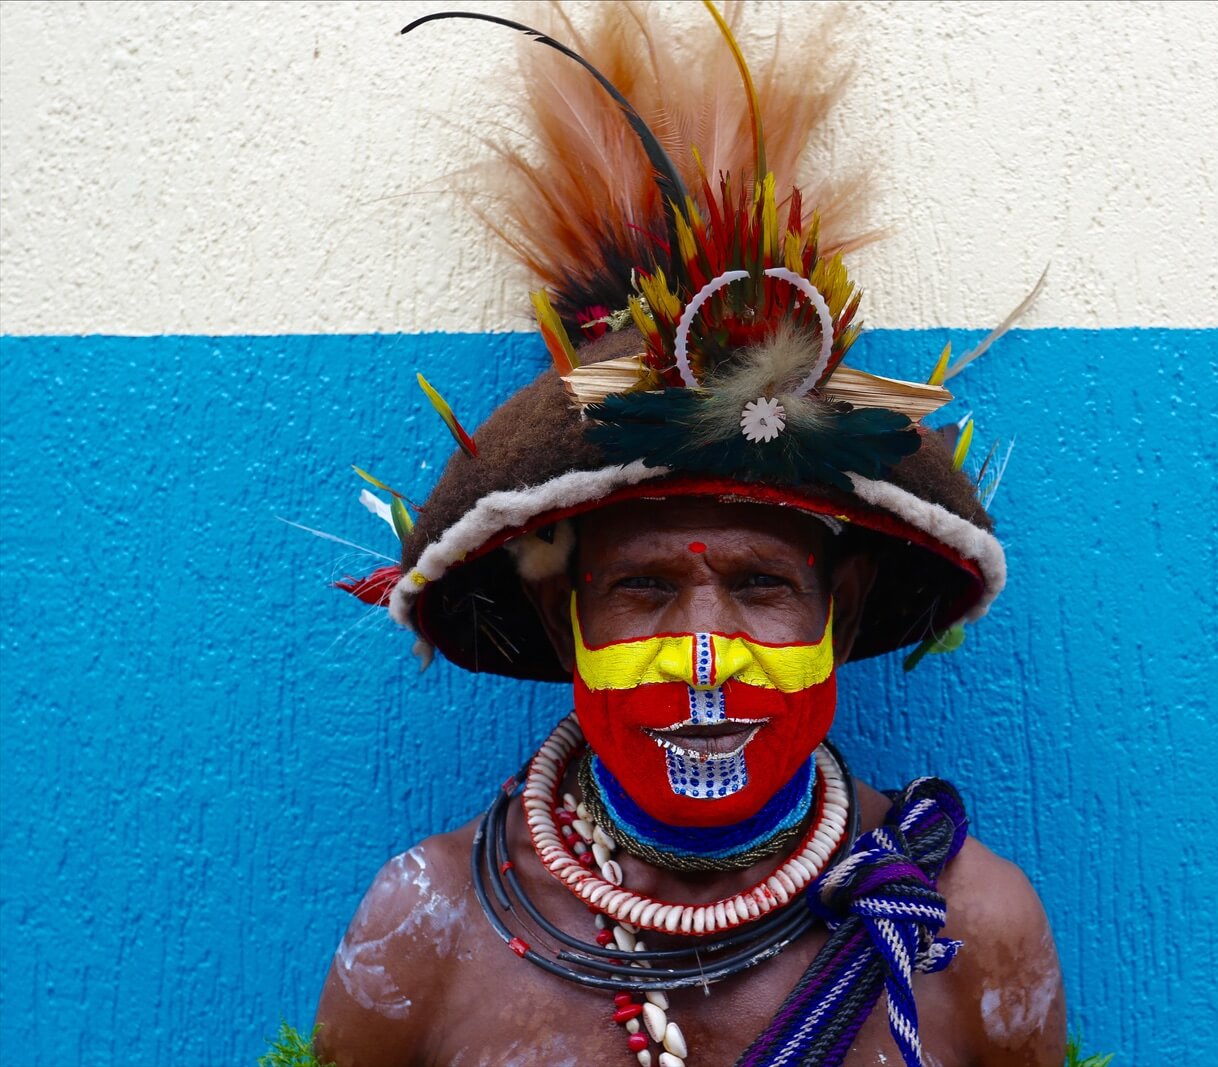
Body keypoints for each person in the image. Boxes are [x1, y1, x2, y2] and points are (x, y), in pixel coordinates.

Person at [313, 6, 1065, 1065]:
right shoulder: (426, 931)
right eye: (642, 588)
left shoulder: (964, 927)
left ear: (839, 606)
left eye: (761, 584)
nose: (704, 657)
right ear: (558, 611)